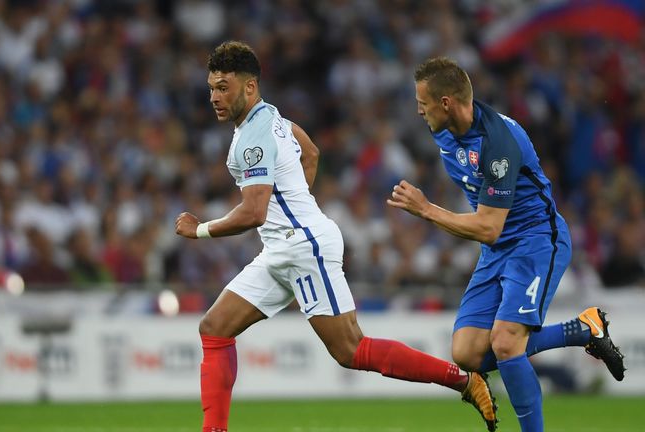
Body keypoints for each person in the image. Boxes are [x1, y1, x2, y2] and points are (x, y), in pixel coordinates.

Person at [175, 41, 497, 432]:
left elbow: (253, 212)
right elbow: (310, 153)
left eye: (223, 87)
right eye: (211, 87)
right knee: (214, 328)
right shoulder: (272, 117)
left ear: (250, 87)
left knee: (351, 350)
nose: (214, 97)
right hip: (282, 246)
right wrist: (296, 205)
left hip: (303, 246)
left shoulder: (251, 139)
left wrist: (200, 230)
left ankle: (463, 380)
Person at [388, 56, 626, 432]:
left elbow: (489, 228)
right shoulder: (443, 128)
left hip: (535, 241)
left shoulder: (499, 143)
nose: (419, 111)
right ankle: (583, 329)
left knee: (505, 343)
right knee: (467, 352)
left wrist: (427, 210)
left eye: (423, 103)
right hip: (496, 250)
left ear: (447, 102)